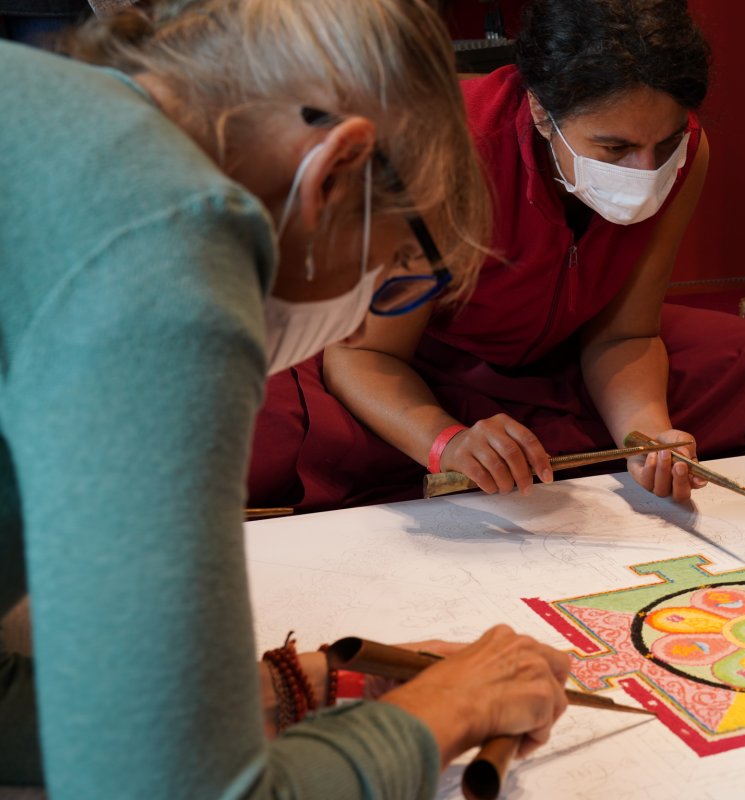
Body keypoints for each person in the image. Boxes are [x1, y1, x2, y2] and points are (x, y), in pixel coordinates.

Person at [0, 1, 568, 795]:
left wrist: (296, 683)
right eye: (395, 270)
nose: (368, 314)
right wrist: (452, 709)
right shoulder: (169, 248)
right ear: (333, 170)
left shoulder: (51, 107)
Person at [247, 0, 745, 512]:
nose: (646, 172)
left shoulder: (689, 151)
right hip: (419, 358)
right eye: (614, 147)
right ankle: (512, 442)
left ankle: (526, 442)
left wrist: (646, 436)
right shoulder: (440, 154)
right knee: (258, 428)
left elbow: (627, 334)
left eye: (665, 143)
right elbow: (364, 355)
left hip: (563, 350)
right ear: (542, 112)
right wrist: (447, 442)